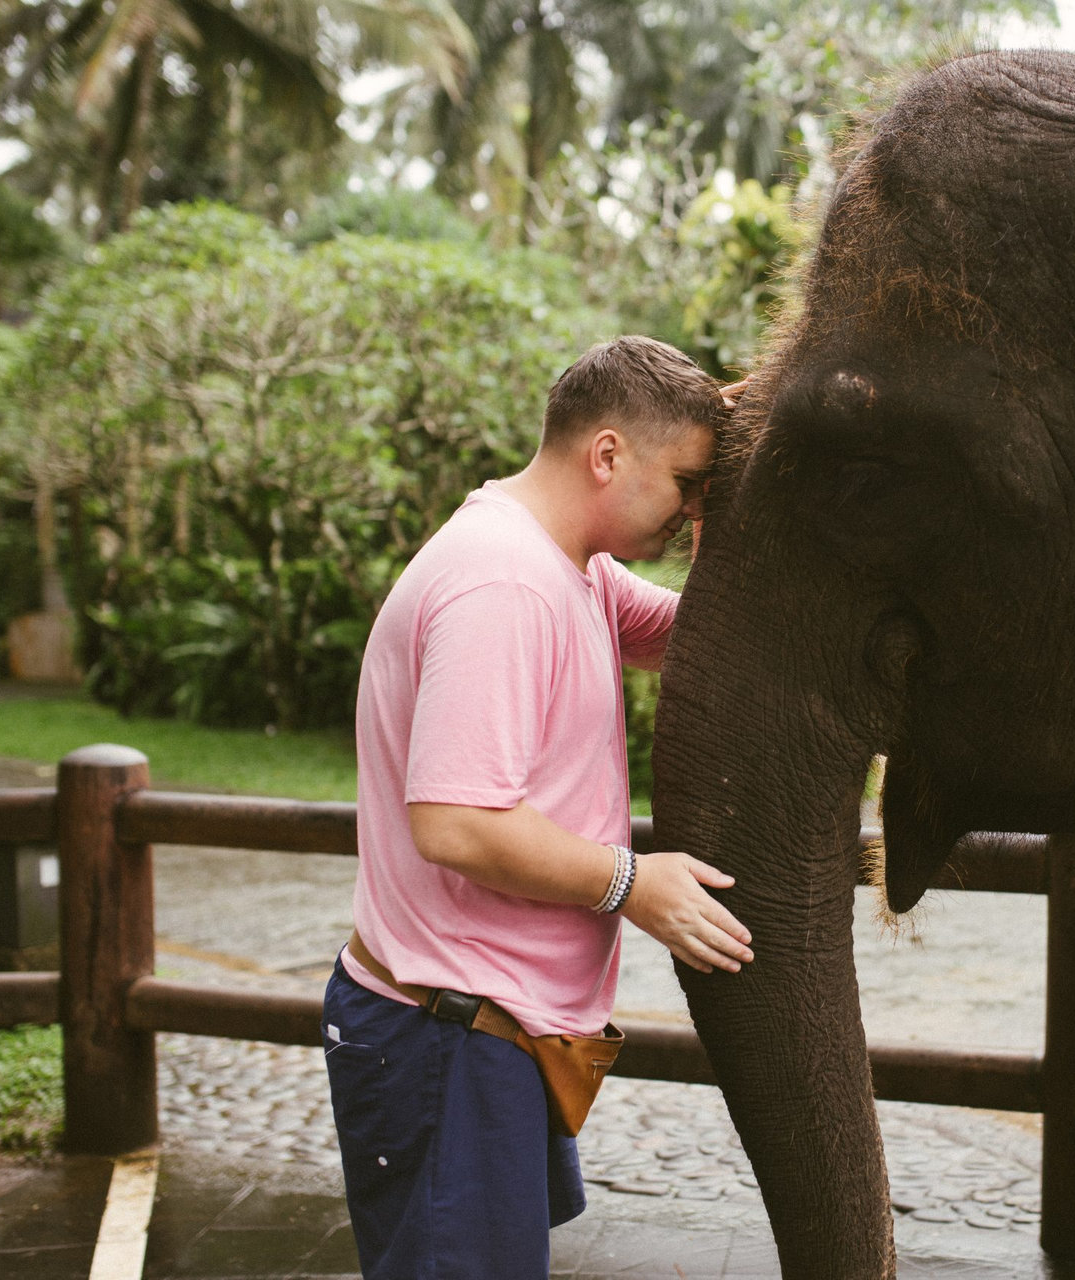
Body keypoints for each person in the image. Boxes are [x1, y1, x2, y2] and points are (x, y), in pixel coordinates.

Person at [321, 335, 753, 1279]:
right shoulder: (504, 582)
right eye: (684, 483)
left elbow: (707, 636)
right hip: (450, 1037)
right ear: (608, 455)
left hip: (488, 1029)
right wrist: (631, 883)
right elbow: (456, 823)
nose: (686, 512)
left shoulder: (574, 568)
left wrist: (734, 490)